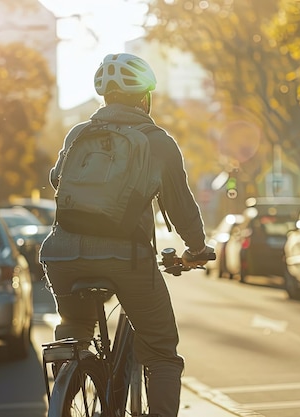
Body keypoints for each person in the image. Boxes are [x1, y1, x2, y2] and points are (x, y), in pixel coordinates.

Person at [39, 52, 214, 417]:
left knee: (74, 331)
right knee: (162, 352)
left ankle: (67, 391)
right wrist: (196, 248)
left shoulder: (79, 133)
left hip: (61, 253)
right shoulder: (157, 142)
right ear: (145, 97)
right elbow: (180, 206)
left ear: (104, 97)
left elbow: (58, 180)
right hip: (125, 258)